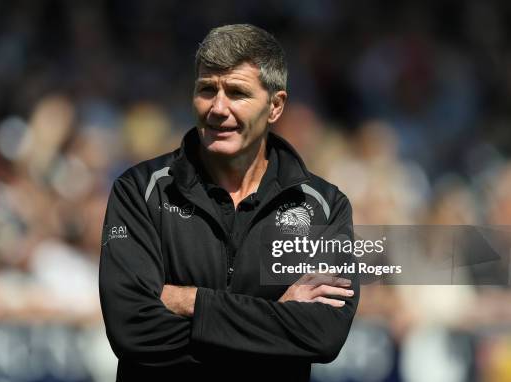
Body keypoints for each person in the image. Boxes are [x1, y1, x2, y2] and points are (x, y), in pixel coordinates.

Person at [99, 24, 359, 382]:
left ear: (275, 106)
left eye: (237, 93)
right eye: (207, 90)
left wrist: (188, 301)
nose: (218, 108)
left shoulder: (323, 205)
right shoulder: (141, 191)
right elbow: (131, 329)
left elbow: (323, 335)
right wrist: (274, 318)